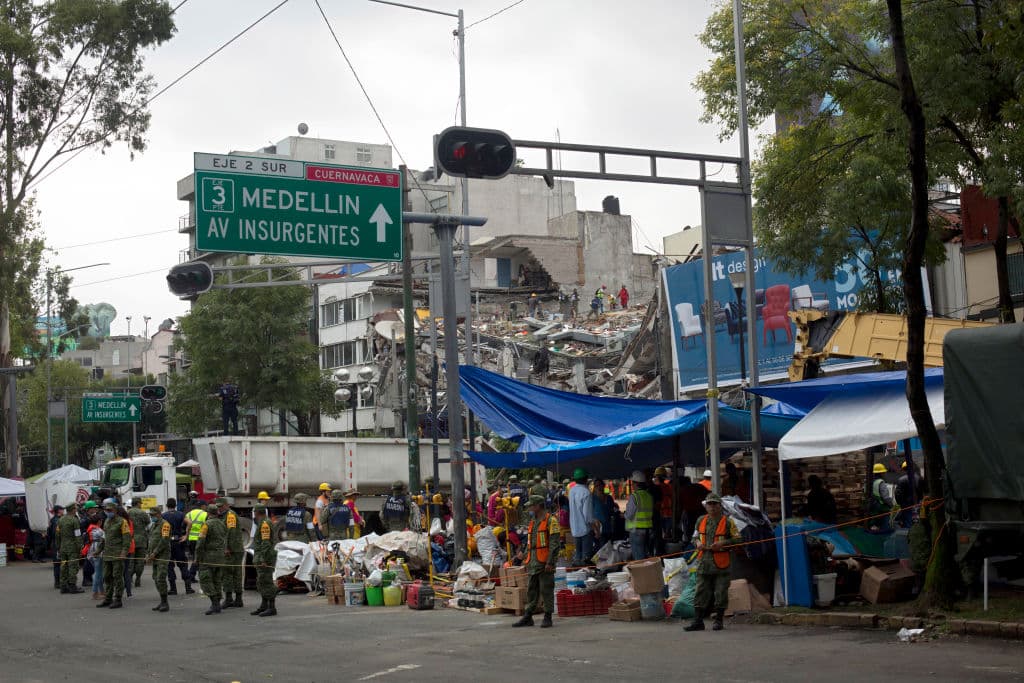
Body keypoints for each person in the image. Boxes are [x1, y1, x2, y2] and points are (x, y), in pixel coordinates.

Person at [684, 493, 741, 632]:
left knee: (720, 592)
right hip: (703, 563)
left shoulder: (728, 522)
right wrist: (697, 543)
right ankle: (698, 622)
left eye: (715, 504)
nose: (712, 507)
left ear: (720, 506)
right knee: (700, 592)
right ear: (706, 506)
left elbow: (738, 539)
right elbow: (694, 537)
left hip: (721, 564)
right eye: (710, 504)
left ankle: (719, 620)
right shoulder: (700, 520)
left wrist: (723, 543)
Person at [513, 496, 562, 628]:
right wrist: (523, 553)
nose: (529, 508)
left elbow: (555, 543)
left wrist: (550, 562)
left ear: (538, 506)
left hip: (545, 560)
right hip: (533, 560)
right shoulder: (533, 521)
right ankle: (528, 616)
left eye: (531, 506)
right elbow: (529, 540)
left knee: (546, 588)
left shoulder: (551, 521)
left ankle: (548, 616)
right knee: (531, 589)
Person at [97, 498, 130, 609]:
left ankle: (118, 599)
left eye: (110, 510)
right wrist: (98, 551)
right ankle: (108, 598)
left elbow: (127, 539)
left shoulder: (122, 522)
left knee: (117, 577)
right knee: (106, 577)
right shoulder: (106, 521)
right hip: (107, 554)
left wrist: (124, 552)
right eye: (106, 510)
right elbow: (104, 538)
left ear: (115, 510)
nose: (108, 512)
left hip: (117, 554)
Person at [196, 503, 227, 615]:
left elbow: (200, 543)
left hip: (208, 558)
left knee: (205, 580)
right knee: (217, 580)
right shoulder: (222, 524)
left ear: (208, 513)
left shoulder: (206, 525)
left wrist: (197, 557)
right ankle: (217, 604)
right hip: (220, 558)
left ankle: (214, 603)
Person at [250, 504, 278, 617]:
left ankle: (272, 607)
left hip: (265, 557)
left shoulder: (265, 523)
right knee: (261, 581)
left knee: (266, 582)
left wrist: (264, 559)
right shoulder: (262, 522)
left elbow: (265, 543)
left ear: (257, 512)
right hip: (261, 556)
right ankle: (264, 605)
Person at [218, 497, 245, 609]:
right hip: (235, 549)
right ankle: (236, 599)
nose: (219, 508)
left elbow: (231, 532)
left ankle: (230, 599)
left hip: (233, 550)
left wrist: (227, 548)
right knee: (233, 573)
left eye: (221, 506)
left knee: (229, 573)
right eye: (218, 506)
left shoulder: (230, 515)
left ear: (226, 505)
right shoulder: (226, 515)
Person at [161, 497, 192, 595]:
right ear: (175, 505)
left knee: (169, 565)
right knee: (182, 564)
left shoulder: (163, 516)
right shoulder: (181, 514)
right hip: (179, 541)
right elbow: (190, 523)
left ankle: (173, 589)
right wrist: (186, 535)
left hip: (168, 542)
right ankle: (188, 588)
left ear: (167, 505)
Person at [146, 505, 172, 612]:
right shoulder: (153, 525)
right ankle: (162, 601)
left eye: (153, 515)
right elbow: (151, 541)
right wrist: (148, 554)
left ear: (159, 514)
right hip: (154, 555)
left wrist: (155, 553)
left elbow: (164, 540)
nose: (152, 517)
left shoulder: (165, 524)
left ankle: (165, 603)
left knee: (161, 578)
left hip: (162, 555)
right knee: (155, 578)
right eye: (151, 515)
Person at [624, 470, 654, 560]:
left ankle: (641, 573)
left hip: (637, 530)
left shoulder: (635, 496)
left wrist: (624, 515)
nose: (632, 485)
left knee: (638, 556)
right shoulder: (649, 496)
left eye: (633, 483)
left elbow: (629, 515)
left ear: (636, 484)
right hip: (648, 529)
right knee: (645, 554)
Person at [567, 467, 594, 567]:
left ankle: (578, 575)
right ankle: (584, 575)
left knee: (578, 556)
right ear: (585, 479)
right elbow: (587, 515)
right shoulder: (586, 492)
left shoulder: (571, 491)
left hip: (575, 528)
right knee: (586, 558)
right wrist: (594, 528)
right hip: (585, 529)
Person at [56, 502, 83, 594]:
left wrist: (58, 547)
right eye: (75, 508)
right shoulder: (74, 520)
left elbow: (57, 535)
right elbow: (78, 536)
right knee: (73, 566)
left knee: (64, 566)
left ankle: (63, 586)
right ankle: (72, 586)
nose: (76, 510)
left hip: (63, 547)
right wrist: (80, 547)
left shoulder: (60, 520)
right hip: (73, 547)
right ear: (73, 510)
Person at [183, 495, 207, 588]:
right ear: (202, 506)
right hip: (199, 540)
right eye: (206, 506)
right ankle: (191, 576)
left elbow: (184, 525)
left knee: (195, 558)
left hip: (190, 539)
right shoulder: (204, 514)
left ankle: (192, 576)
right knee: (198, 559)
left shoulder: (189, 514)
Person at [83, 503, 105, 600]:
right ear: (99, 521)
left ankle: (101, 591)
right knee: (98, 573)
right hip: (98, 552)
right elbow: (105, 540)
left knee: (98, 572)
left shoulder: (90, 528)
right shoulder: (99, 531)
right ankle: (95, 592)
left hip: (90, 551)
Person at [894, 461, 925, 528]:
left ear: (904, 469)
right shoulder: (920, 478)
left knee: (907, 523)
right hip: (918, 505)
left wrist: (901, 504)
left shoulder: (901, 480)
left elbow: (898, 494)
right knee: (918, 523)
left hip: (906, 506)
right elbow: (922, 492)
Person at [128, 503, 150, 588]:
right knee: (140, 561)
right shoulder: (143, 513)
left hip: (131, 539)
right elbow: (148, 522)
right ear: (138, 504)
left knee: (131, 561)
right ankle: (138, 578)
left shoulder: (128, 512)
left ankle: (129, 579)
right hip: (141, 539)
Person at [869, 463, 894, 531]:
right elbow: (885, 497)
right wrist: (891, 505)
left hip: (873, 507)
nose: (884, 474)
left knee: (876, 524)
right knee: (884, 525)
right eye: (883, 472)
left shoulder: (870, 482)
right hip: (882, 507)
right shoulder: (881, 483)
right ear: (881, 473)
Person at [591, 478, 614, 549]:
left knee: (609, 549)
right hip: (598, 529)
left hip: (608, 528)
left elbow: (612, 512)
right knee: (601, 550)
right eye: (596, 486)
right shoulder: (592, 498)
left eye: (600, 485)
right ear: (594, 487)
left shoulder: (609, 498)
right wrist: (595, 529)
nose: (599, 487)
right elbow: (590, 515)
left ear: (603, 486)